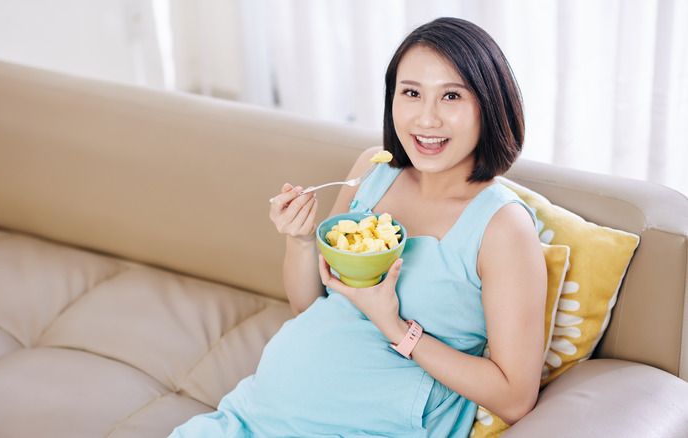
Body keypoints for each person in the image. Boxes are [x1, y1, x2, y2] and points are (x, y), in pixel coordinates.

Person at [170, 17, 546, 437]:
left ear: (490, 106)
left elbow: (515, 399)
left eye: (452, 96)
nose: (426, 118)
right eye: (411, 93)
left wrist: (396, 328)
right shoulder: (372, 170)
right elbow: (309, 307)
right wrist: (299, 240)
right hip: (252, 416)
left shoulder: (502, 227)